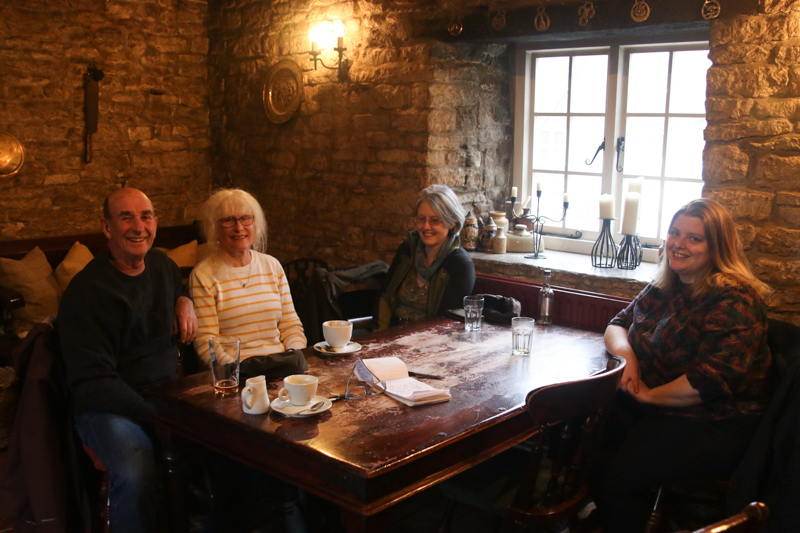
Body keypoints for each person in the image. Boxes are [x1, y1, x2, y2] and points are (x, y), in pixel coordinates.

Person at [593, 198, 773, 532]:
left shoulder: (735, 298)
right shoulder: (665, 285)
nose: (678, 243)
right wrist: (628, 359)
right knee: (586, 432)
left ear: (716, 247)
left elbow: (709, 381)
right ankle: (606, 514)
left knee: (619, 475)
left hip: (716, 421)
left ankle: (620, 516)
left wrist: (649, 396)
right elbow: (617, 324)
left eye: (694, 238)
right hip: (658, 405)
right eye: (675, 233)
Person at [58, 187, 197, 533]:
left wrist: (185, 301)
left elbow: (177, 289)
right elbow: (93, 382)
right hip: (107, 408)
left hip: (165, 396)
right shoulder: (86, 292)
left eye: (146, 216)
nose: (138, 226)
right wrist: (155, 417)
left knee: (231, 448)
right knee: (137, 474)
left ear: (155, 223)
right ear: (106, 228)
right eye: (126, 218)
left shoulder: (163, 266)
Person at [190, 188, 306, 365]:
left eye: (245, 218)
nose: (239, 228)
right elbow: (207, 341)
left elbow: (291, 326)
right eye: (228, 220)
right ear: (215, 228)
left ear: (255, 224)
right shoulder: (203, 275)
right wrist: (236, 371)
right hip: (237, 371)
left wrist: (292, 356)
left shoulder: (272, 266)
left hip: (281, 365)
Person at [378, 184, 476, 329]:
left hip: (429, 338)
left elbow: (446, 322)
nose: (426, 227)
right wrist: (379, 332)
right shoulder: (408, 249)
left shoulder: (460, 264)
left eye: (435, 220)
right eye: (421, 219)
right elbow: (386, 296)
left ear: (451, 223)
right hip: (392, 331)